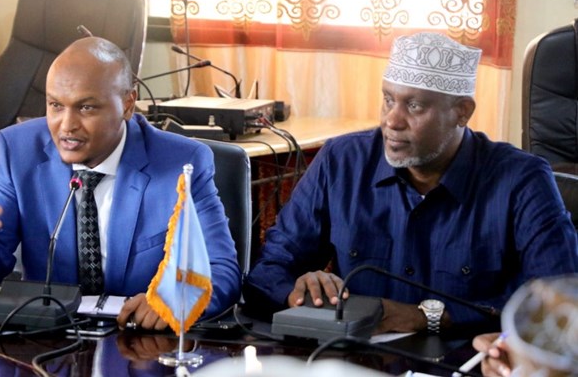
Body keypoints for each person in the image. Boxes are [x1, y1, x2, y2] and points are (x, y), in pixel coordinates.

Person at [244, 32, 578, 333]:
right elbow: (268, 270)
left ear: (462, 112)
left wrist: (429, 316)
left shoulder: (521, 179)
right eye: (388, 99)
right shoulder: (341, 161)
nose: (392, 120)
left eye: (414, 106)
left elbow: (558, 300)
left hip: (464, 361)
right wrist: (299, 292)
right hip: (357, 359)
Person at [0, 36, 241, 330]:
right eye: (55, 105)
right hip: (47, 340)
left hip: (140, 342)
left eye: (86, 107)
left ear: (128, 104)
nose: (67, 125)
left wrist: (173, 300)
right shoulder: (19, 152)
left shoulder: (182, 163)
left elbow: (221, 270)